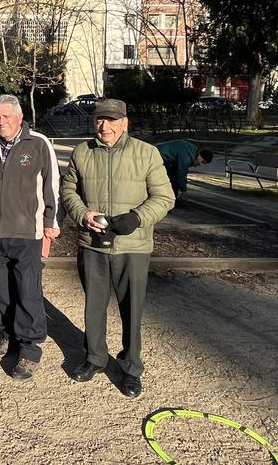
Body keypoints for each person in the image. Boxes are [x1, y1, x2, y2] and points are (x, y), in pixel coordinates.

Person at [60, 99, 174, 398]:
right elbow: (68, 190)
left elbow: (164, 197)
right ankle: (95, 358)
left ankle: (131, 367)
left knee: (132, 309)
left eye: (112, 120)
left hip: (132, 246)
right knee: (93, 307)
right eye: (99, 119)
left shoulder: (146, 153)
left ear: (125, 123)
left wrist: (138, 217)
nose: (104, 126)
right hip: (93, 244)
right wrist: (82, 213)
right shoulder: (82, 152)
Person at [0, 94, 59, 382]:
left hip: (26, 232)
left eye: (6, 116)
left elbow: (51, 184)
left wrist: (51, 222)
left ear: (19, 118)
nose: (0, 121)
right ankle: (8, 335)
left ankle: (29, 348)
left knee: (27, 290)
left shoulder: (38, 144)